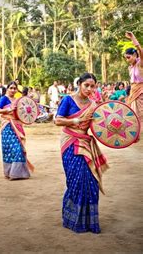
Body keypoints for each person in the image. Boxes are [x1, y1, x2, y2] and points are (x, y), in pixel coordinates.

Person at [54, 73, 109, 233]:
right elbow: (57, 120)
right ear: (79, 84)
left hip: (85, 142)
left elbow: (100, 125)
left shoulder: (93, 105)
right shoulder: (68, 100)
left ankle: (89, 222)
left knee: (90, 181)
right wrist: (75, 121)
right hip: (70, 142)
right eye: (86, 85)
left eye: (93, 86)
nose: (89, 89)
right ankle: (72, 220)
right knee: (76, 180)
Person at [0, 81, 34, 180]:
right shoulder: (4, 98)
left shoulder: (18, 100)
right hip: (7, 126)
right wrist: (8, 110)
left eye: (14, 88)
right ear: (7, 88)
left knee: (19, 147)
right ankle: (10, 172)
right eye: (11, 88)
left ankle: (17, 173)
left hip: (17, 126)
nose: (13, 90)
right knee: (10, 149)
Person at [125, 31, 143, 129]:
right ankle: (135, 134)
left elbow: (141, 51)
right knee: (132, 113)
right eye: (126, 58)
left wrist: (133, 39)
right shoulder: (130, 68)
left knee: (141, 112)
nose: (127, 60)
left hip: (141, 91)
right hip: (133, 91)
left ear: (135, 55)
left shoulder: (141, 63)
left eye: (128, 57)